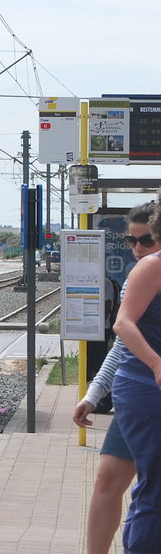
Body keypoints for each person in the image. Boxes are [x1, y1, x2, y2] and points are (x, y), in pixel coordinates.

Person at [73, 201, 156, 554]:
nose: (137, 248)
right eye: (130, 240)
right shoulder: (139, 278)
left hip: (145, 394)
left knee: (148, 488)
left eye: (147, 240)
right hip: (139, 391)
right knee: (107, 479)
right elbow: (123, 343)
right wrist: (94, 393)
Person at [112, 199, 161, 553]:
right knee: (157, 487)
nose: (138, 248)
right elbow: (122, 324)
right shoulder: (150, 269)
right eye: (134, 241)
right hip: (146, 386)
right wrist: (156, 363)